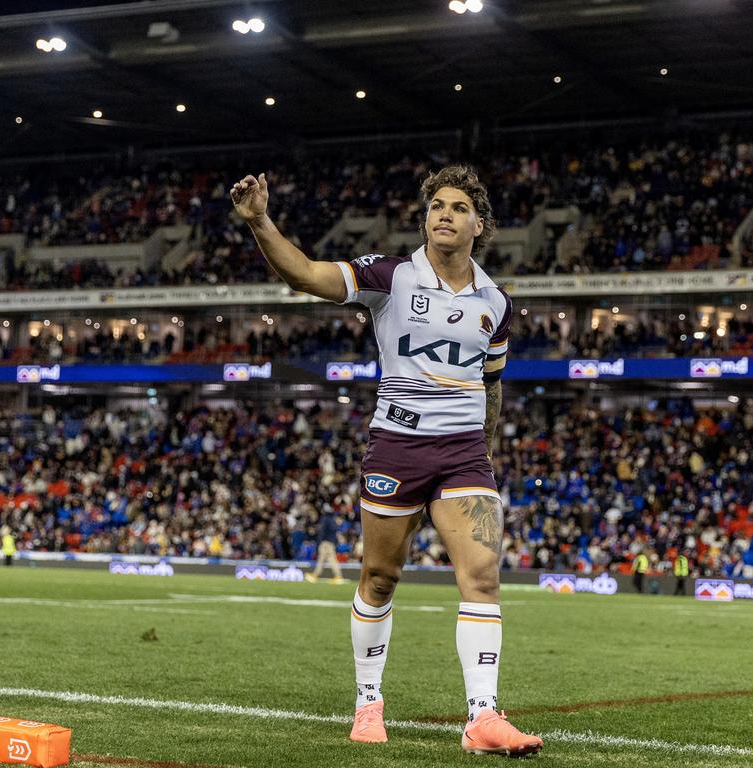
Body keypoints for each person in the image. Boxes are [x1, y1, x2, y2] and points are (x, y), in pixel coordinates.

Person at [231, 166, 541, 756]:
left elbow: (493, 383)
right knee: (379, 577)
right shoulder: (391, 276)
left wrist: (488, 450)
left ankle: (482, 718)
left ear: (480, 224)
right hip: (397, 448)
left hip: (464, 455)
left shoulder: (496, 302)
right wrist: (260, 222)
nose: (444, 215)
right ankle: (368, 701)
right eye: (435, 207)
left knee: (482, 577)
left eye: (457, 207)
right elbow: (305, 275)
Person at [306, 511, 345, 584]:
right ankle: (338, 576)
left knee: (322, 559)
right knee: (331, 559)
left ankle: (315, 575)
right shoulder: (333, 521)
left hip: (325, 542)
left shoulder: (325, 519)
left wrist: (319, 542)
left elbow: (322, 531)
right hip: (331, 542)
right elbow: (335, 531)